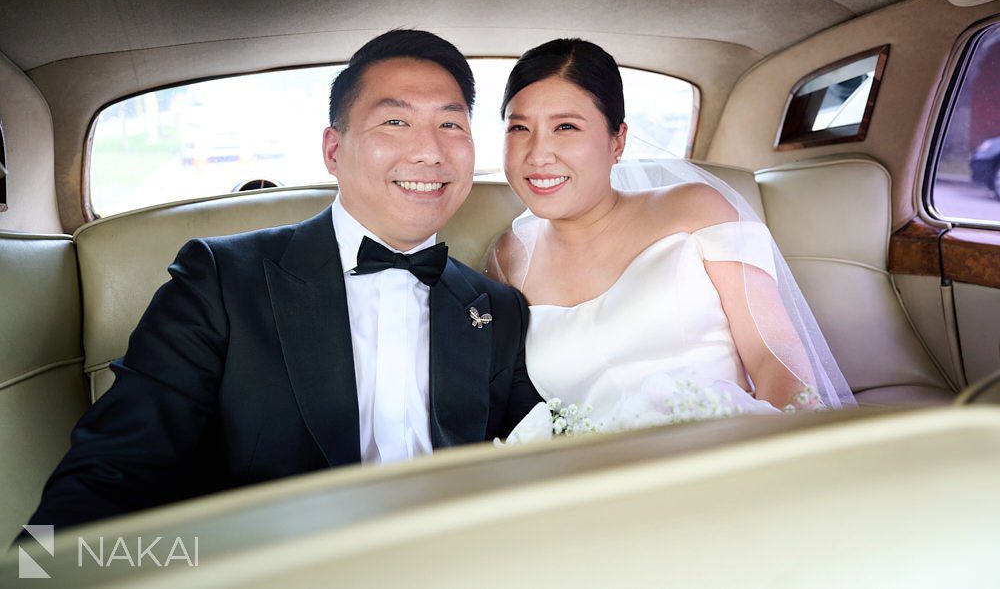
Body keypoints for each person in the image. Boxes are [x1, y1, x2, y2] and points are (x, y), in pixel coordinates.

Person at [25, 30, 540, 531]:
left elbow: (538, 464)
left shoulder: (497, 308)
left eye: (451, 126)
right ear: (334, 151)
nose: (429, 152)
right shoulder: (221, 280)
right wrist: (37, 572)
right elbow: (114, 468)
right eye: (395, 122)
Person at [486, 38, 854, 439]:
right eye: (519, 128)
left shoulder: (697, 209)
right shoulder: (508, 259)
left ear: (618, 140)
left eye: (565, 127)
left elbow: (774, 360)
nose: (538, 154)